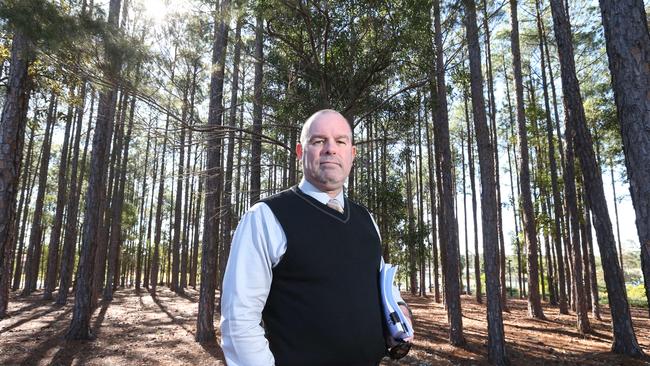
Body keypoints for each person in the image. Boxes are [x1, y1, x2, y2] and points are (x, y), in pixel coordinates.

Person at [220, 109, 412, 366]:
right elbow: (238, 321)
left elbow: (382, 285)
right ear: (300, 152)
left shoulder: (367, 219)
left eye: (341, 141)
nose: (331, 149)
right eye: (319, 141)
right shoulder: (265, 217)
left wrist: (400, 309)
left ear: (352, 154)